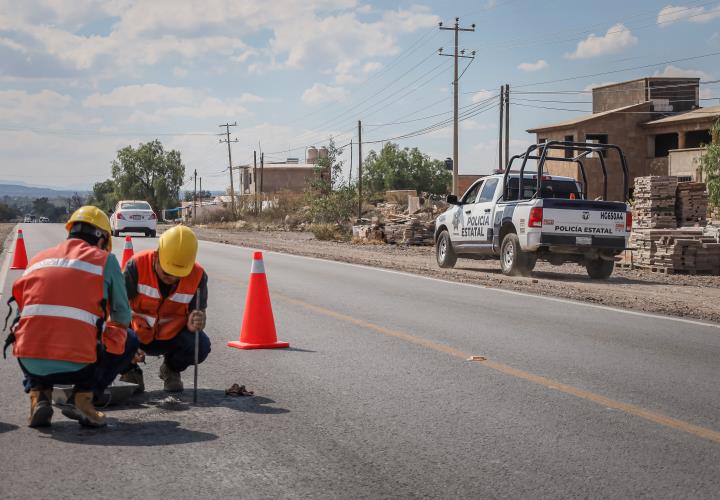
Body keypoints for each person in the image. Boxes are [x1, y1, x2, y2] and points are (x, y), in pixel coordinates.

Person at [6, 206, 138, 428]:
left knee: (34, 330)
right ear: (102, 239)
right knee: (131, 339)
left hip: (28, 359)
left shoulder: (39, 259)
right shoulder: (106, 261)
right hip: (78, 365)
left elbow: (22, 316)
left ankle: (39, 396)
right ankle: (84, 398)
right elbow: (122, 315)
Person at [121, 225, 210, 393]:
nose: (173, 278)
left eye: (179, 274)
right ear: (157, 255)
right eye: (168, 272)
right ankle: (129, 371)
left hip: (171, 337)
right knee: (109, 334)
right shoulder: (136, 266)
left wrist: (196, 323)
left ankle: (170, 368)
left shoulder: (198, 276)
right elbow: (116, 309)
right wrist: (129, 344)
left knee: (201, 345)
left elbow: (197, 316)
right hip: (137, 334)